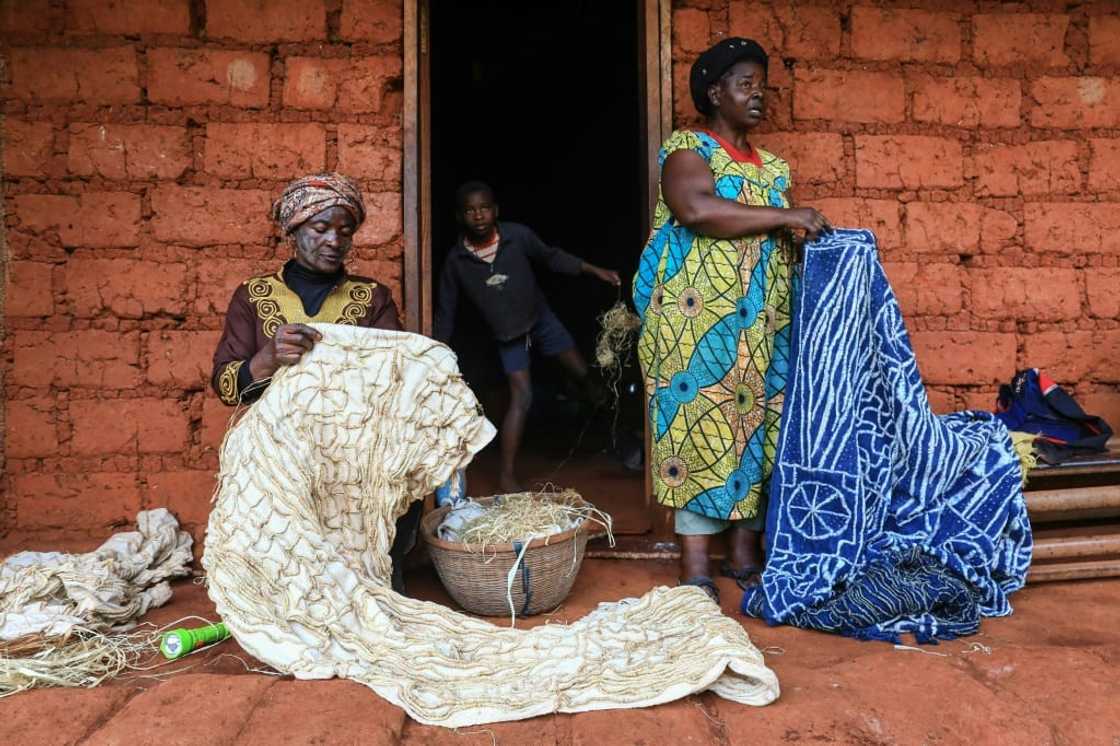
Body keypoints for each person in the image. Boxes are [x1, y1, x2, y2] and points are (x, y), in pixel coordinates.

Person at [632, 38, 831, 604]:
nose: (758, 95)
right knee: (699, 428)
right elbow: (696, 210)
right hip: (695, 325)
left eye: (761, 85)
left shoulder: (772, 167)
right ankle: (694, 560)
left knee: (762, 427)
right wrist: (789, 215)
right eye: (746, 84)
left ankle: (744, 551)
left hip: (764, 322)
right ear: (715, 92)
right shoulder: (688, 150)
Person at [210, 172, 418, 592]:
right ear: (294, 231)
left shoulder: (371, 297)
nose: (334, 241)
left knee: (397, 469)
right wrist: (268, 358)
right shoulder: (253, 296)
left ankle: (376, 579)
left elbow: (397, 378)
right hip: (280, 448)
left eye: (345, 231)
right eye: (320, 229)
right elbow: (226, 386)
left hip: (355, 446)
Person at [433, 181, 621, 494]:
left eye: (484, 208)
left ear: (495, 211)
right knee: (522, 396)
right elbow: (446, 312)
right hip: (508, 335)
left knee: (584, 375)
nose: (478, 215)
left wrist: (593, 270)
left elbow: (551, 257)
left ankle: (615, 434)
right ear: (460, 217)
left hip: (540, 319)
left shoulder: (517, 236)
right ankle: (507, 474)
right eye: (470, 210)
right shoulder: (456, 261)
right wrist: (436, 353)